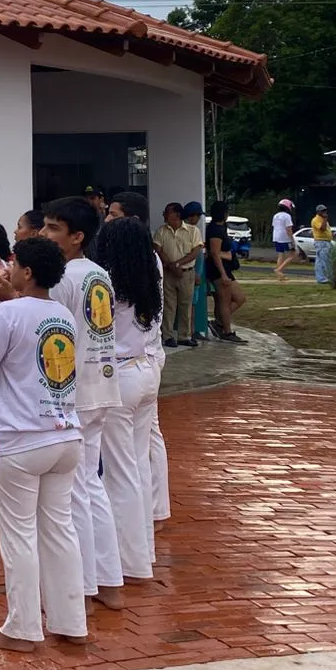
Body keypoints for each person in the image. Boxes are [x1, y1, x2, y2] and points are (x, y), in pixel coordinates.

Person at [0, 235, 86, 653]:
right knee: (59, 530)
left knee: (19, 535)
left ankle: (21, 628)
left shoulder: (10, 313)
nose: (9, 269)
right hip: (64, 434)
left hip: (20, 438)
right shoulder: (63, 314)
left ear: (28, 272)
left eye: (15, 264)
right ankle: (71, 621)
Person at [38, 197, 122, 610]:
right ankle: (107, 580)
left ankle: (85, 587)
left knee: (74, 494)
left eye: (53, 228)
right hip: (100, 384)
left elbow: (50, 332)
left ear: (77, 237)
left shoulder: (65, 277)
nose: (44, 234)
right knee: (91, 485)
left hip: (75, 392)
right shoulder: (98, 273)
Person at [93, 217, 163, 583]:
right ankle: (143, 553)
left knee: (119, 475)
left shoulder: (106, 280)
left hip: (120, 377)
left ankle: (129, 563)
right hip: (145, 370)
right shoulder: (149, 272)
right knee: (134, 468)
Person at [153, 203, 201, 348]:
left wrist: (178, 264)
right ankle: (167, 336)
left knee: (186, 305)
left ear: (177, 215)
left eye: (167, 212)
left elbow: (195, 252)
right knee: (168, 305)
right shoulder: (161, 231)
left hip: (186, 273)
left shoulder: (193, 231)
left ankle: (184, 336)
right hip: (168, 273)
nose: (164, 215)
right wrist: (171, 266)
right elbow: (158, 250)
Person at [204, 201, 247, 342]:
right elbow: (214, 253)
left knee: (239, 298)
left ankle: (220, 322)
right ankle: (226, 330)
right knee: (224, 300)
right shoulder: (215, 230)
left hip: (226, 269)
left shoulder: (220, 228)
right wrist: (222, 272)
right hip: (219, 271)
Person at [312, 204, 336, 288]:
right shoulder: (316, 220)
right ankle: (330, 277)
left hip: (325, 241)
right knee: (326, 260)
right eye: (322, 211)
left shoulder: (323, 220)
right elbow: (322, 229)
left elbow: (326, 230)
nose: (324, 212)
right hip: (321, 242)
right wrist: (325, 218)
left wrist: (332, 234)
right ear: (318, 212)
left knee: (320, 261)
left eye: (325, 210)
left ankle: (321, 278)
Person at [272, 199, 297, 281]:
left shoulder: (275, 215)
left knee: (281, 255)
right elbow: (288, 229)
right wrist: (292, 240)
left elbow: (274, 226)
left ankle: (279, 275)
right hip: (284, 238)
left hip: (276, 237)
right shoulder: (287, 216)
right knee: (293, 254)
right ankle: (279, 270)